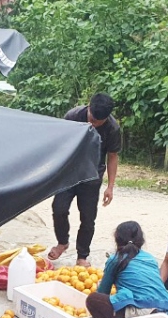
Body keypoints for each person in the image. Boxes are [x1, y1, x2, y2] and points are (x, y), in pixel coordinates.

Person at [48, 93, 122, 266]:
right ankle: (62, 242)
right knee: (58, 208)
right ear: (88, 107)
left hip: (91, 177)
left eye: (97, 122)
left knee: (88, 218)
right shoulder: (73, 116)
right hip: (68, 174)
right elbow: (59, 144)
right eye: (91, 118)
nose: (92, 124)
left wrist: (110, 187)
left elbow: (112, 156)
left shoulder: (112, 128)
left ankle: (82, 255)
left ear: (106, 118)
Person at [84, 220, 168, 318]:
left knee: (93, 300)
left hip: (143, 310)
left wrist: (100, 285)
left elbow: (103, 291)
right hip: (167, 308)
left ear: (117, 241)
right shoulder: (150, 258)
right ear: (141, 241)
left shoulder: (115, 259)